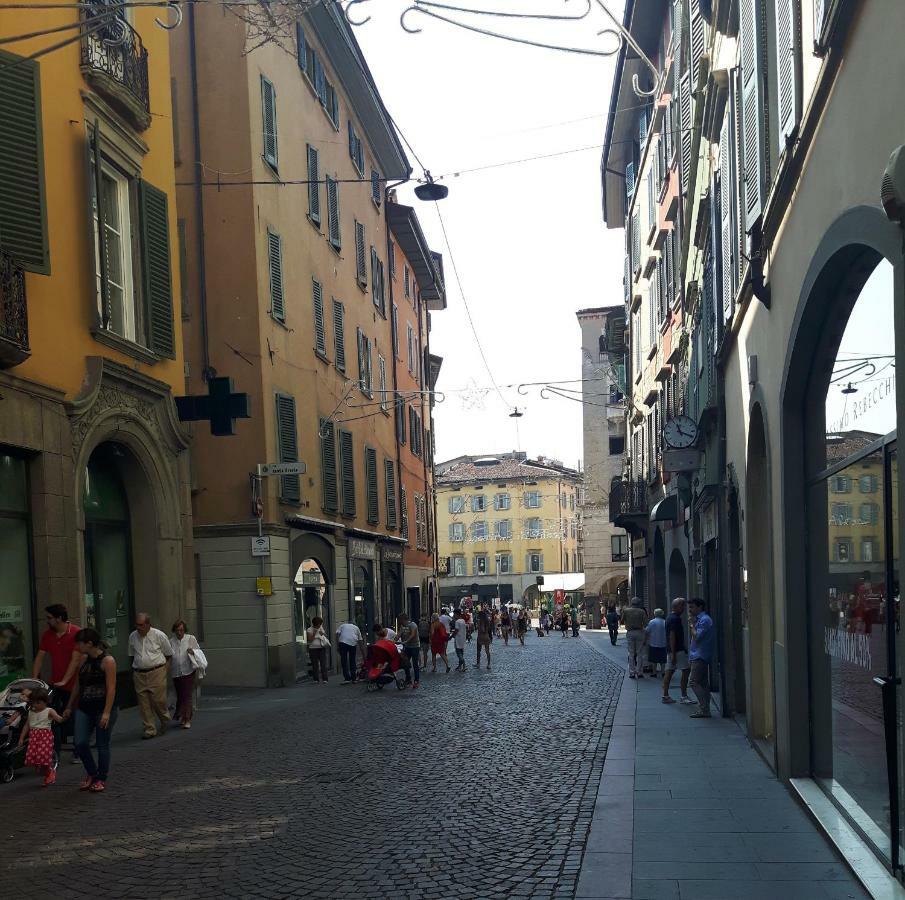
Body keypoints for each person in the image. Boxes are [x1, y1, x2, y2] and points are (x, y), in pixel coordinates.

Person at [65, 628, 117, 793]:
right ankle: (92, 773)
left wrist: (107, 713)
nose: (77, 646)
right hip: (84, 707)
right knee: (80, 742)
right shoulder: (83, 660)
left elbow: (111, 688)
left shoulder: (107, 661)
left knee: (102, 744)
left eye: (80, 643)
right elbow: (78, 685)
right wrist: (69, 706)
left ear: (89, 643)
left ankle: (101, 778)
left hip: (103, 708)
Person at [31, 604, 82, 763]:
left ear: (59, 618)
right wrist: (34, 680)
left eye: (49, 618)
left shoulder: (76, 633)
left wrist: (66, 680)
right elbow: (40, 657)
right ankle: (55, 753)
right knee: (53, 718)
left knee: (75, 718)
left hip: (73, 685)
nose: (47, 621)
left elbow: (75, 660)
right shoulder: (48, 635)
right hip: (55, 684)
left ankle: (78, 751)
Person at [128, 613, 172, 739]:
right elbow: (131, 655)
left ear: (148, 624)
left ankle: (164, 718)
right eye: (137, 624)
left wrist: (165, 671)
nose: (138, 627)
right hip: (139, 673)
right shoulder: (132, 636)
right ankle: (149, 729)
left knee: (158, 700)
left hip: (156, 671)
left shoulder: (159, 635)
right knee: (144, 703)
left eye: (141, 625)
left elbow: (169, 654)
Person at [18, 687, 64, 786]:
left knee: (42, 757)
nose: (35, 705)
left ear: (45, 701)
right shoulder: (31, 712)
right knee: (34, 758)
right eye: (33, 702)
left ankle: (50, 773)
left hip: (45, 737)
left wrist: (64, 716)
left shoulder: (49, 711)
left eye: (38, 702)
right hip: (34, 737)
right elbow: (27, 726)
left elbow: (59, 719)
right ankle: (48, 773)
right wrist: (21, 738)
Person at [170, 620, 202, 727]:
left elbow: (198, 651)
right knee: (180, 695)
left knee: (187, 695)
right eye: (177, 630)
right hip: (176, 673)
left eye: (181, 630)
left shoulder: (190, 639)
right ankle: (181, 714)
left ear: (184, 630)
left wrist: (193, 652)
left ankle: (187, 719)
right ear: (174, 631)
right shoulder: (171, 641)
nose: (179, 632)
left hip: (188, 670)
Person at [662, 598, 694, 705]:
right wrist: (674, 653)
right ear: (677, 606)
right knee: (686, 670)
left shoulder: (669, 617)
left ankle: (665, 695)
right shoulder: (675, 619)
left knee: (669, 671)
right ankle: (683, 696)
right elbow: (672, 636)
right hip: (677, 650)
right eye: (682, 606)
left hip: (673, 650)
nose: (684, 608)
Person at [688, 597, 715, 718]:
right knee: (703, 684)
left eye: (692, 607)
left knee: (693, 681)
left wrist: (692, 625)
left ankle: (703, 708)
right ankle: (706, 709)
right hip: (699, 654)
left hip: (700, 655)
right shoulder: (702, 619)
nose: (690, 610)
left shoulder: (704, 620)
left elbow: (697, 636)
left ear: (700, 607)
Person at [621, 597, 649, 678]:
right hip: (639, 632)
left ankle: (632, 672)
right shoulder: (642, 611)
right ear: (638, 603)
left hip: (630, 632)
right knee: (640, 653)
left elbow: (622, 620)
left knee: (631, 653)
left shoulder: (626, 611)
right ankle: (640, 672)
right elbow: (646, 623)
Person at [306, 616, 330, 685]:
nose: (320, 625)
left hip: (321, 648)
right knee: (315, 664)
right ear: (315, 624)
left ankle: (325, 679)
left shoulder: (320, 627)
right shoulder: (309, 629)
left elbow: (324, 635)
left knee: (323, 664)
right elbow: (310, 639)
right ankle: (316, 679)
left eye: (320, 624)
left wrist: (321, 633)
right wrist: (314, 632)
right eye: (319, 624)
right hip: (313, 649)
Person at [399, 614, 421, 688]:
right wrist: (393, 640)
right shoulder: (402, 626)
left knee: (415, 664)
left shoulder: (413, 625)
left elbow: (413, 634)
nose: (400, 621)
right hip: (407, 647)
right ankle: (408, 679)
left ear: (404, 619)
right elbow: (399, 634)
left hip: (415, 646)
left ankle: (416, 681)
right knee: (405, 663)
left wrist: (406, 641)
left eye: (400, 620)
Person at [645, 609, 667, 676]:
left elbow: (647, 631)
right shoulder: (665, 622)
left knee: (654, 659)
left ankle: (654, 672)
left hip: (653, 643)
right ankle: (663, 672)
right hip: (663, 643)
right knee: (663, 659)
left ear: (655, 614)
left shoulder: (652, 622)